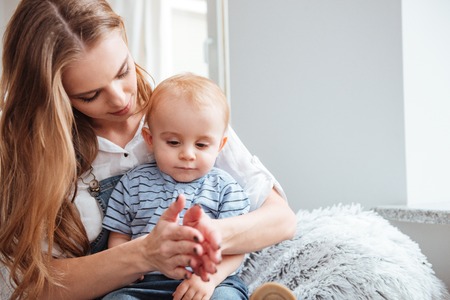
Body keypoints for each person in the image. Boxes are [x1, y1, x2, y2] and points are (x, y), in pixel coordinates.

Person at [0, 0, 296, 299]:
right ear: (53, 97)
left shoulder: (182, 112)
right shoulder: (33, 156)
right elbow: (38, 286)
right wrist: (143, 254)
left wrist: (210, 236)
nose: (119, 100)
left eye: (122, 71)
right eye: (90, 95)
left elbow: (281, 220)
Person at [102, 73, 250, 299]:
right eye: (173, 142)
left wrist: (209, 280)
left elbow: (237, 249)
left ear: (220, 145)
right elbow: (119, 233)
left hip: (209, 282)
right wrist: (128, 270)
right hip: (145, 284)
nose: (187, 154)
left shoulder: (226, 188)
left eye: (201, 145)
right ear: (150, 140)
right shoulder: (133, 182)